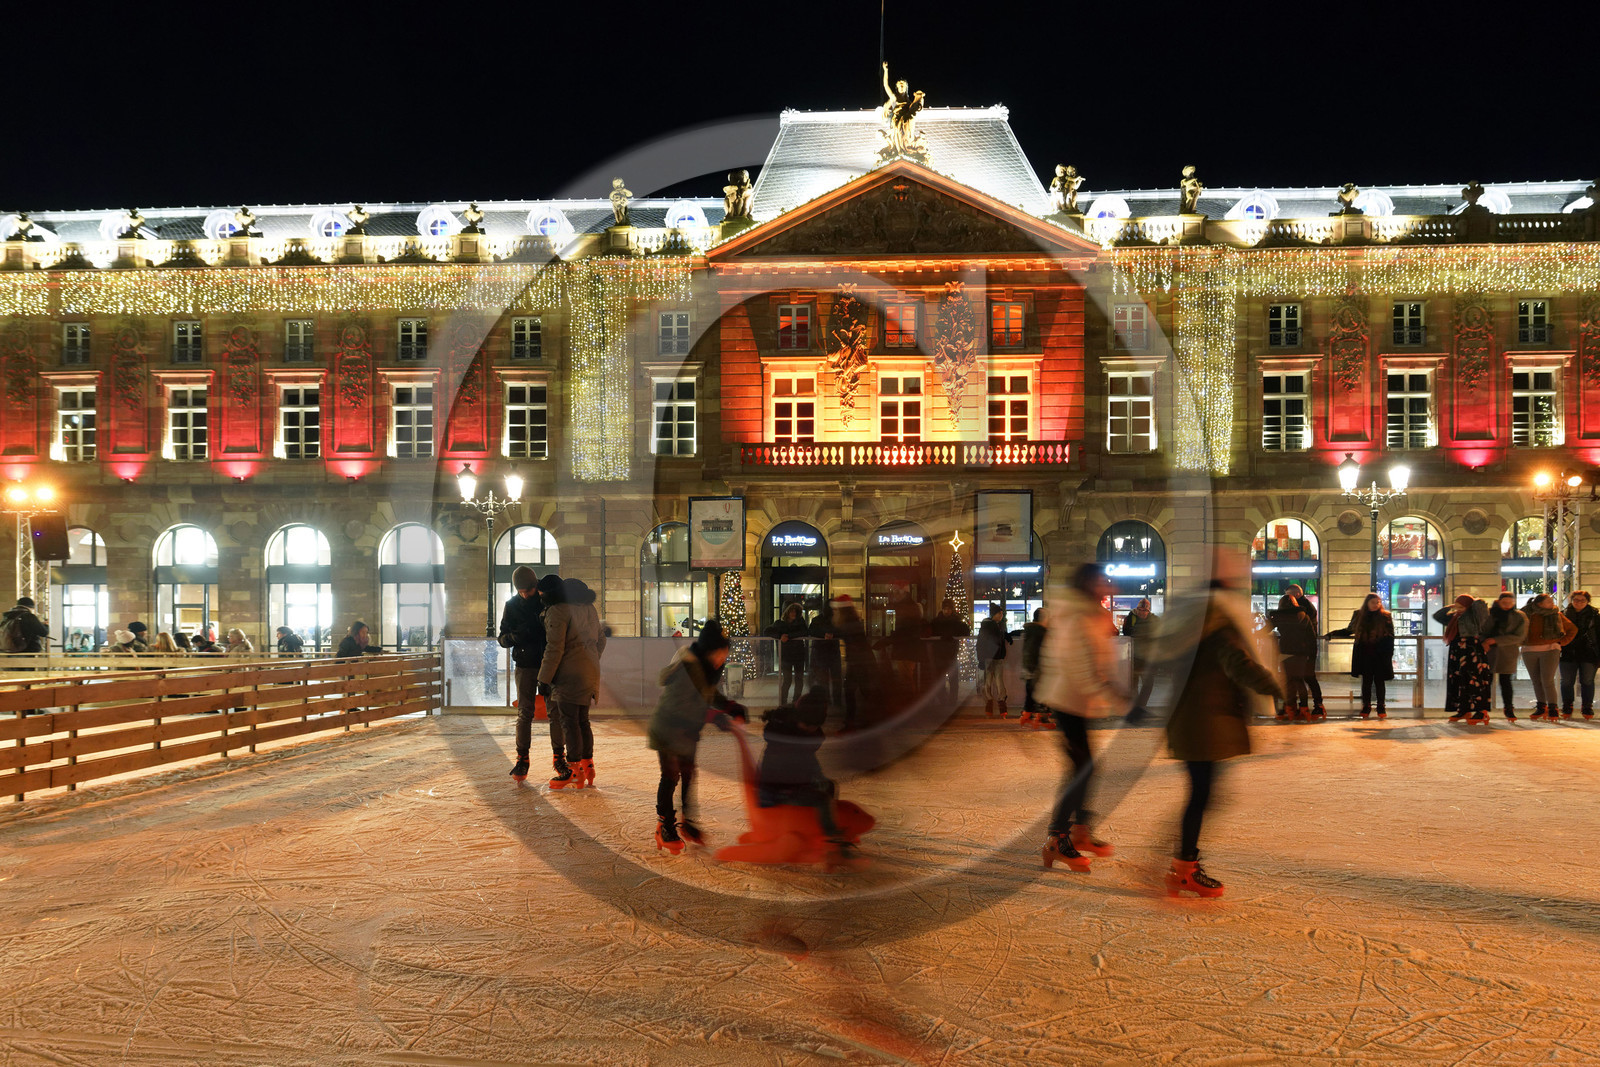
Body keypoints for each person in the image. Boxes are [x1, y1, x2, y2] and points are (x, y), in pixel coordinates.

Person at [1160, 550, 1286, 898]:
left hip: (1189, 717)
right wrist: (1276, 689)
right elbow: (1239, 664)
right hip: (1208, 719)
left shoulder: (1190, 615)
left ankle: (1182, 859)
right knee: (1204, 794)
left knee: (1201, 792)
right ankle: (1184, 865)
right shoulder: (1218, 620)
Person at [1036, 565, 1130, 871]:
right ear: (1089, 583)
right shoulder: (1077, 616)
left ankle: (1078, 832)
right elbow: (1083, 668)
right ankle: (1057, 839)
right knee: (1081, 769)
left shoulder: (1088, 613)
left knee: (1085, 767)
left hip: (1076, 700)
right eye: (1102, 580)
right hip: (1067, 700)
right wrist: (1120, 702)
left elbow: (1098, 664)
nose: (1107, 585)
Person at [647, 619, 743, 852]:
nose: (724, 658)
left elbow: (707, 693)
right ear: (710, 650)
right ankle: (664, 825)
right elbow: (681, 706)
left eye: (726, 652)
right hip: (668, 729)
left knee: (689, 775)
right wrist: (715, 717)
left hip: (687, 731)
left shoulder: (706, 668)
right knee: (671, 776)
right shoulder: (688, 668)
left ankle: (687, 824)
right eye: (721, 652)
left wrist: (728, 706)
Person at [758, 688, 867, 870]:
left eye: (815, 727)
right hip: (777, 791)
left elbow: (809, 762)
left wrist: (818, 779)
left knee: (830, 788)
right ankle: (831, 844)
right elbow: (779, 773)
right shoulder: (783, 739)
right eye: (809, 726)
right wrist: (807, 783)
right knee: (822, 800)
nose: (812, 730)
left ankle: (825, 829)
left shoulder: (806, 734)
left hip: (795, 783)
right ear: (799, 720)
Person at [537, 575, 608, 790]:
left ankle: (574, 771)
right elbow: (602, 640)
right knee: (582, 720)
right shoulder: (590, 609)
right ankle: (588, 767)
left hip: (569, 673)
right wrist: (590, 659)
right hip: (590, 670)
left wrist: (543, 678)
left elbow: (554, 648)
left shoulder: (559, 610)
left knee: (569, 722)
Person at [501, 565, 556, 781]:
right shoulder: (511, 605)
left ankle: (559, 757)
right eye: (521, 591)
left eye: (528, 590)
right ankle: (522, 759)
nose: (525, 594)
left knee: (555, 713)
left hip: (548, 664)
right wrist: (516, 637)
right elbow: (502, 638)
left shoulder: (546, 600)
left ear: (535, 585)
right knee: (524, 713)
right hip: (524, 665)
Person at [1324, 593, 1395, 719]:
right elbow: (1350, 630)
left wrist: (1388, 654)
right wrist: (1333, 633)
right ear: (1367, 603)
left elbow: (1390, 636)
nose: (1376, 605)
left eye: (1378, 602)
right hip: (1365, 653)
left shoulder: (1385, 616)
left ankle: (1381, 706)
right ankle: (1366, 706)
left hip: (1380, 654)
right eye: (1373, 602)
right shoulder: (1359, 615)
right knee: (1366, 681)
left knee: (1379, 681)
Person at [1435, 594, 1492, 723]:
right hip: (1457, 649)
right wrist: (1452, 606)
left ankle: (1480, 710)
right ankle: (1463, 709)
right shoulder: (1455, 617)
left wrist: (1473, 601)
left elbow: (1481, 607)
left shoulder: (1474, 616)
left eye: (1461, 606)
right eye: (1457, 606)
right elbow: (1438, 615)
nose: (1458, 609)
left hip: (1472, 649)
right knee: (1459, 679)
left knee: (1474, 679)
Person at [1521, 593, 1576, 721]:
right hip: (1529, 650)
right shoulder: (1526, 614)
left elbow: (1572, 629)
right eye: (1549, 601)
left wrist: (1561, 642)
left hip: (1551, 649)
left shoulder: (1556, 614)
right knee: (1536, 680)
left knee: (1547, 679)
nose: (1552, 603)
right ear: (1539, 604)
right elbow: (1516, 628)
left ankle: (1553, 707)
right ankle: (1541, 706)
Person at [1271, 594, 1321, 722]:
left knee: (1288, 682)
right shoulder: (1304, 616)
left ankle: (1289, 708)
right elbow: (1311, 637)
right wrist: (1312, 654)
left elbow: (1265, 628)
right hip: (1301, 653)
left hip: (1286, 651)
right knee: (1299, 681)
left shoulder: (1279, 616)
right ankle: (1304, 708)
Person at [1484, 590, 1528, 720]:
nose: (1507, 605)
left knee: (1506, 681)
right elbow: (1481, 629)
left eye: (1510, 602)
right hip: (1488, 651)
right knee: (1486, 680)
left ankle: (1508, 708)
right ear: (1499, 602)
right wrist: (1484, 642)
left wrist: (1495, 640)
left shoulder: (1519, 616)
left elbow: (1519, 636)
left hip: (1507, 652)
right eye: (1504, 602)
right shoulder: (1489, 614)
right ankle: (1483, 708)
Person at [1283, 585, 1326, 716]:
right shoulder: (1304, 608)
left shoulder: (1302, 610)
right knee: (1305, 677)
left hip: (1304, 649)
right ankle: (1309, 705)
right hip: (1305, 648)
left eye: (1287, 595)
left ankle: (1302, 705)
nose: (1285, 598)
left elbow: (1305, 630)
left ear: (1295, 595)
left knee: (1305, 677)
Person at [833, 595, 874, 731]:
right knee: (860, 691)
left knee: (852, 691)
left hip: (858, 661)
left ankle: (853, 722)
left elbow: (851, 640)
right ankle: (865, 720)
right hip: (860, 660)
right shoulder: (852, 620)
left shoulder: (848, 623)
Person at [1559, 590, 1600, 720]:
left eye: (1582, 600)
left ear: (1587, 601)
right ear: (1571, 600)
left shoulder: (1595, 615)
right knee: (1566, 681)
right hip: (1568, 652)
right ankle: (1567, 705)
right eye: (1576, 600)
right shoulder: (1563, 614)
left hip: (1589, 652)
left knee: (1587, 681)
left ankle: (1587, 706)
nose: (1579, 603)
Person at [1120, 598, 1160, 720]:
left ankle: (1140, 707)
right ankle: (1135, 708)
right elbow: (1125, 634)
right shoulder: (1130, 618)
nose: (1142, 612)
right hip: (1133, 657)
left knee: (1148, 684)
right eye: (1140, 610)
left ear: (1149, 610)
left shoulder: (1155, 620)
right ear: (1137, 609)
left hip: (1148, 658)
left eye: (1145, 610)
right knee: (1133, 684)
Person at [764, 602, 809, 706]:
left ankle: (796, 701)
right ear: (787, 612)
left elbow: (805, 632)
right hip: (786, 656)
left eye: (795, 611)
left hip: (798, 655)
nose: (793, 613)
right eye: (791, 611)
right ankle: (783, 702)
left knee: (799, 679)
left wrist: (788, 636)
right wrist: (780, 636)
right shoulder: (779, 623)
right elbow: (766, 631)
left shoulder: (800, 622)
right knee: (787, 680)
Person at [976, 602, 1013, 718]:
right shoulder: (989, 626)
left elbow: (999, 636)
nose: (1002, 615)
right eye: (1000, 613)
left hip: (996, 658)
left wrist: (1006, 635)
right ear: (994, 614)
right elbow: (981, 643)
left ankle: (994, 704)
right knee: (991, 681)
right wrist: (981, 659)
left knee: (996, 681)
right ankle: (994, 704)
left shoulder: (997, 625)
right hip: (990, 658)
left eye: (1002, 613)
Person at [928, 597, 967, 705]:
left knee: (952, 681)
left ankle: (951, 700)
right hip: (941, 655)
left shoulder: (955, 621)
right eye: (945, 609)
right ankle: (944, 700)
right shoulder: (937, 622)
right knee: (942, 681)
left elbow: (965, 631)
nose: (947, 611)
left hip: (951, 654)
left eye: (949, 609)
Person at [887, 600, 929, 696]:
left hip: (906, 653)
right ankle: (910, 697)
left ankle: (909, 698)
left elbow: (902, 635)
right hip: (910, 653)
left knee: (906, 677)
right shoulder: (919, 623)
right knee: (908, 677)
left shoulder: (909, 623)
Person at [807, 602, 843, 709]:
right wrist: (828, 635)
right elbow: (811, 631)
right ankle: (835, 701)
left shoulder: (818, 620)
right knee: (833, 678)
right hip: (828, 652)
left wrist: (825, 635)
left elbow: (812, 631)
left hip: (823, 652)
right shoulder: (835, 620)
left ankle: (829, 700)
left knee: (826, 679)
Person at [1019, 607, 1050, 727]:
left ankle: (1028, 716)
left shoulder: (1031, 630)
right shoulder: (1039, 631)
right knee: (1042, 693)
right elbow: (1035, 651)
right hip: (1036, 668)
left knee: (1031, 694)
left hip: (1030, 668)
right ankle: (1040, 718)